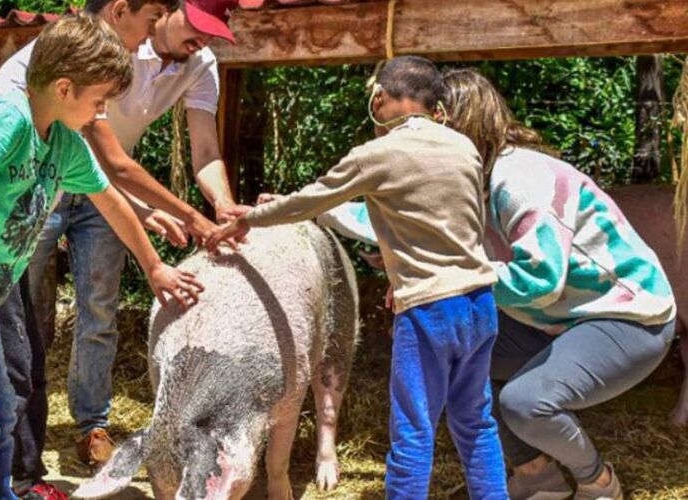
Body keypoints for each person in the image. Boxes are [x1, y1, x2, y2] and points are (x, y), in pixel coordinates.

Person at [0, 14, 202, 499]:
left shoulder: (66, 144)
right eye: (98, 101)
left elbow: (112, 202)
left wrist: (154, 266)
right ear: (65, 88)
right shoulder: (9, 118)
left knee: (3, 412)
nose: (100, 114)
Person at [207, 56, 508, 500]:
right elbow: (443, 220)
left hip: (429, 310)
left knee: (413, 430)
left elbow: (311, 199)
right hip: (479, 305)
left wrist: (251, 218)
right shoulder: (462, 147)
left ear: (380, 97)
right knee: (476, 421)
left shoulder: (380, 153)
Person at [0, 0, 244, 484]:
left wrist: (209, 214)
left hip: (64, 185)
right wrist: (188, 219)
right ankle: (8, 472)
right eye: (188, 24)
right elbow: (111, 162)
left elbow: (120, 175)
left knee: (68, 327)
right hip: (14, 211)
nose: (105, 109)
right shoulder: (87, 53)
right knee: (19, 340)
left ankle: (38, 461)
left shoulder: (184, 65)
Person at [440, 68, 676, 500]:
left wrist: (448, 276)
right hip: (558, 318)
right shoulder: (464, 181)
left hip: (626, 316)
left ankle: (599, 482)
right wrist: (313, 209)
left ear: (456, 126)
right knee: (458, 362)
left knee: (524, 402)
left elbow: (540, 281)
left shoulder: (518, 178)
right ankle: (538, 480)